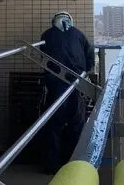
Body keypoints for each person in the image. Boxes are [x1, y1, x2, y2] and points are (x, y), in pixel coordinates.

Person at [39, 11, 95, 175]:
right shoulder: (78, 34)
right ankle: (74, 165)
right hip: (77, 84)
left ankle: (51, 165)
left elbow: (43, 57)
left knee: (53, 125)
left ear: (54, 21)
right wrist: (85, 71)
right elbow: (90, 56)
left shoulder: (47, 35)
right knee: (76, 124)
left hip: (55, 84)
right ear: (70, 20)